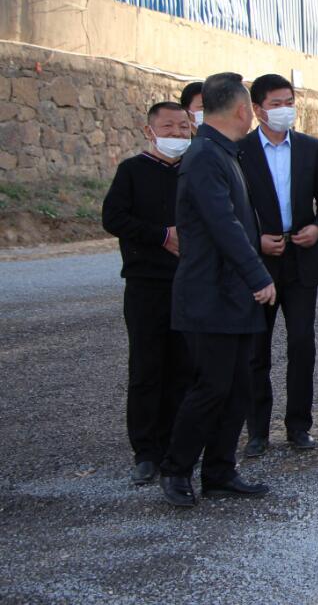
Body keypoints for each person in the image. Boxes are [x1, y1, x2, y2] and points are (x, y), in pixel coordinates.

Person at [159, 72, 276, 508]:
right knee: (211, 387)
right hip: (210, 294)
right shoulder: (206, 155)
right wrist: (259, 276)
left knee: (237, 387)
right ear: (243, 110)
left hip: (233, 294)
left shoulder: (223, 152)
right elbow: (223, 225)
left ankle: (220, 470)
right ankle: (176, 469)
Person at [239, 74, 318, 457]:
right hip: (259, 262)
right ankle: (257, 431)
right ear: (257, 109)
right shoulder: (240, 151)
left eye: (289, 102)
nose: (285, 110)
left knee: (301, 344)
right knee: (256, 349)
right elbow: (230, 210)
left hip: (301, 260)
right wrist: (255, 240)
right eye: (276, 103)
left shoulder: (310, 148)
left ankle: (299, 426)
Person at [102, 101, 195, 486]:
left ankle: (178, 445)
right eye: (168, 127)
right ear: (150, 131)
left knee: (184, 367)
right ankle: (145, 451)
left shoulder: (195, 170)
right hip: (146, 285)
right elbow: (113, 218)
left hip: (189, 284)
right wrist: (161, 236)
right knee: (146, 368)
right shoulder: (132, 171)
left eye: (183, 127)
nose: (177, 134)